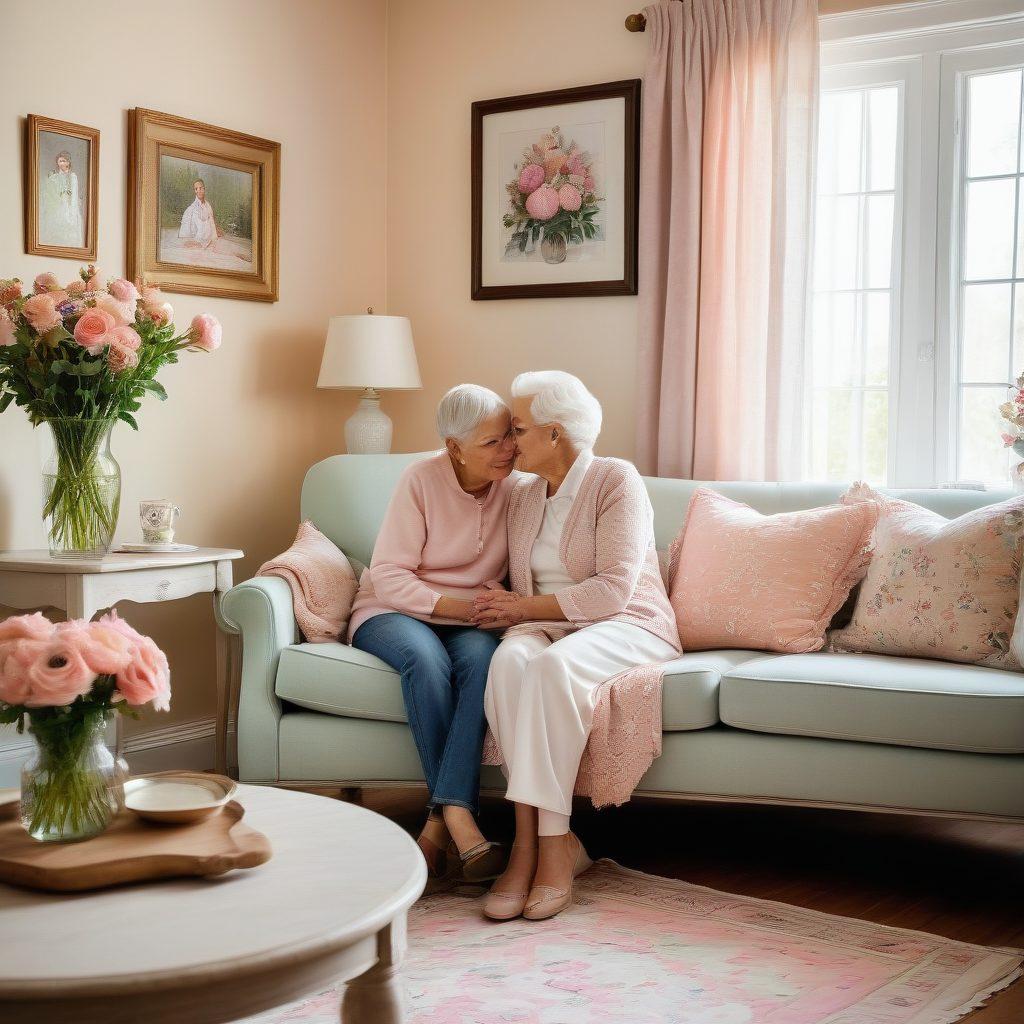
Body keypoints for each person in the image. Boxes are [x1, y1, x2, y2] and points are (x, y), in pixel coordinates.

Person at [474, 371, 680, 920]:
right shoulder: (524, 493)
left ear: (555, 433)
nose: (510, 442)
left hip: (627, 622)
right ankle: (528, 844)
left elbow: (613, 590)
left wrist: (521, 609)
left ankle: (553, 849)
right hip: (548, 624)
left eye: (518, 429)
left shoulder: (615, 480)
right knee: (508, 663)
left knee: (550, 669)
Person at [350, 384, 517, 882]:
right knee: (425, 661)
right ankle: (460, 819)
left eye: (509, 435)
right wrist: (460, 607)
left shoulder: (519, 486)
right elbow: (389, 575)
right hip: (392, 609)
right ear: (454, 447)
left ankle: (437, 826)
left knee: (484, 662)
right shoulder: (420, 479)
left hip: (472, 620)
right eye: (492, 442)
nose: (508, 448)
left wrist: (504, 602)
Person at [40, 151, 83, 248]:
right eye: (60, 161)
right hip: (59, 205)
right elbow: (50, 193)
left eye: (64, 161)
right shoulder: (54, 177)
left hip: (71, 205)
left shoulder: (73, 176)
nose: (62, 163)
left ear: (68, 162)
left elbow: (74, 193)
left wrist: (72, 205)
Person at [179, 179, 219, 248]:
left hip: (209, 244)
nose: (198, 191)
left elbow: (212, 226)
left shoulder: (208, 206)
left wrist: (214, 240)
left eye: (200, 188)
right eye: (196, 189)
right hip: (196, 245)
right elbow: (184, 234)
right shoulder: (190, 210)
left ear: (204, 189)